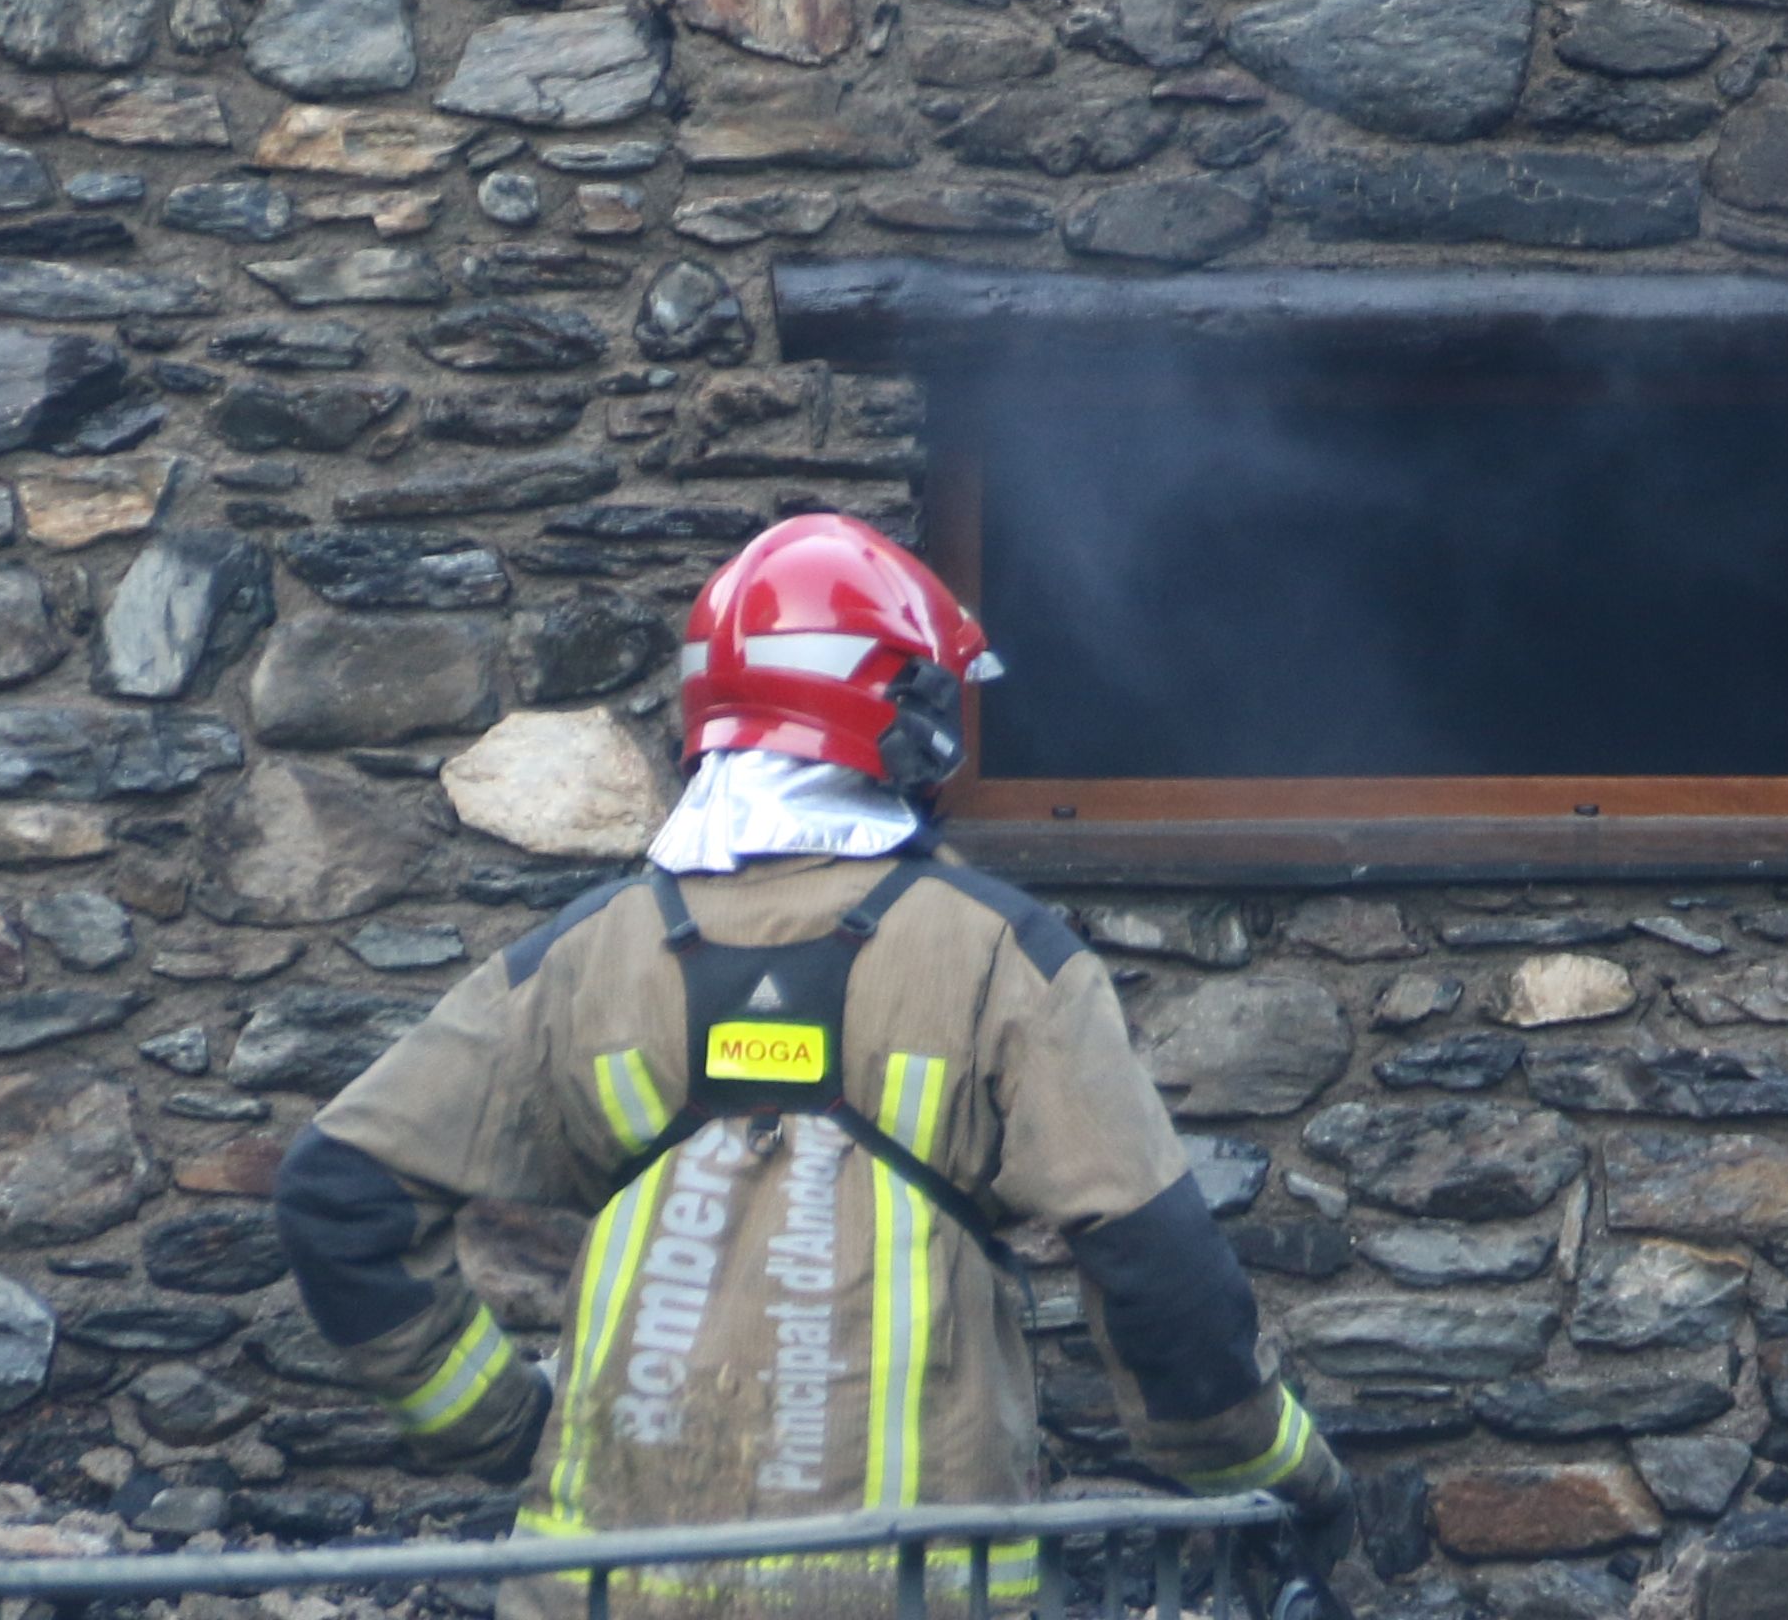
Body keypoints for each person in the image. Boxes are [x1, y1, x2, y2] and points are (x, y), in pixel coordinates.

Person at [271, 513, 1348, 1606]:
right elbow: (1161, 1278)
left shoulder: (585, 957)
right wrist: (1282, 1475)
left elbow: (338, 1193)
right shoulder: (999, 955)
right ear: (908, 718)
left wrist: (502, 1430)